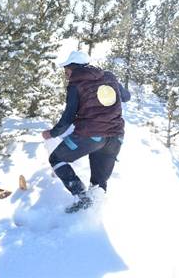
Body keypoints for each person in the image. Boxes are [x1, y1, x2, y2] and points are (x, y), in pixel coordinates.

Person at [43, 50, 131, 213]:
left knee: (56, 159)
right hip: (115, 137)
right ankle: (89, 215)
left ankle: (82, 197)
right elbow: (126, 97)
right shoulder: (109, 77)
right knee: (98, 185)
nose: (66, 75)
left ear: (73, 68)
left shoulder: (76, 84)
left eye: (66, 70)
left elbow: (68, 117)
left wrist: (52, 133)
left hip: (92, 136)